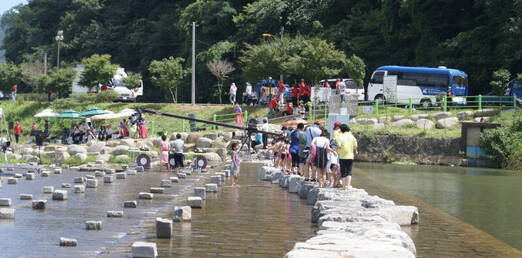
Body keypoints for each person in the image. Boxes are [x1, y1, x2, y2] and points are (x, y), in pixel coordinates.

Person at [336, 124, 358, 190]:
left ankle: (344, 186)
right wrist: (355, 152)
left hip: (342, 156)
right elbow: (355, 146)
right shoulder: (352, 137)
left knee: (343, 171)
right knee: (349, 171)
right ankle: (348, 186)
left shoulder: (340, 137)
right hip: (350, 156)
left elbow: (339, 146)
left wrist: (335, 148)